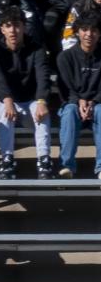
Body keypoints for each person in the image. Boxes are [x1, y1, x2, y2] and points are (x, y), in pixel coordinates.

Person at [0, 5, 52, 179]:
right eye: (8, 26)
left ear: (24, 26)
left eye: (16, 25)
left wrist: (42, 101)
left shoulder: (37, 49)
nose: (12, 30)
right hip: (2, 102)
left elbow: (43, 76)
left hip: (29, 101)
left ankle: (44, 161)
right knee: (4, 112)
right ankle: (7, 160)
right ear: (2, 29)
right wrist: (7, 100)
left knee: (42, 113)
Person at [55, 11, 101, 178]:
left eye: (94, 30)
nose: (89, 34)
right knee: (68, 112)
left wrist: (93, 102)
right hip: (73, 103)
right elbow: (65, 88)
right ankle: (66, 166)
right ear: (77, 31)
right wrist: (78, 100)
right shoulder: (65, 57)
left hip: (97, 105)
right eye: (84, 29)